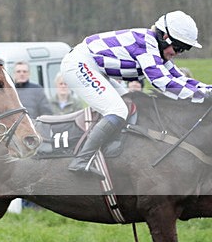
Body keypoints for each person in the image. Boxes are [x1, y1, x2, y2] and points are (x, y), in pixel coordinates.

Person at [61, 10, 210, 178]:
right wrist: (201, 95)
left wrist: (208, 89)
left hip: (94, 68)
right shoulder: (145, 44)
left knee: (131, 105)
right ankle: (82, 159)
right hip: (78, 64)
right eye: (177, 47)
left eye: (183, 50)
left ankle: (113, 152)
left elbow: (179, 78)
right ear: (165, 37)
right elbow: (161, 82)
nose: (177, 53)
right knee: (118, 110)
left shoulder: (156, 48)